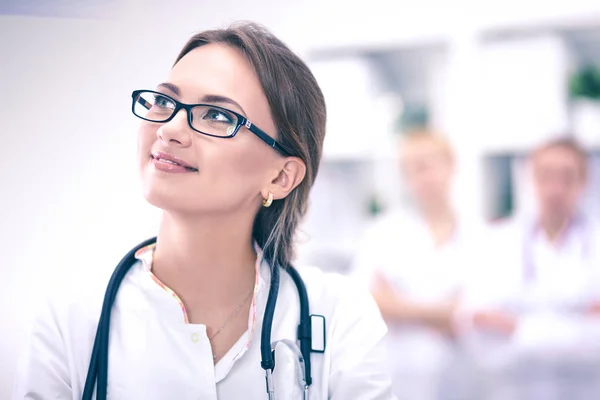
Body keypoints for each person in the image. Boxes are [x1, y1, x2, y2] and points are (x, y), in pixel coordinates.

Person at [12, 22, 395, 400]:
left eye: (218, 115)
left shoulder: (341, 317)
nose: (170, 129)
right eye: (164, 101)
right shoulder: (69, 321)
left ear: (281, 177)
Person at [460, 137, 600, 400]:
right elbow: (477, 327)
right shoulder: (496, 243)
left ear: (584, 182)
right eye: (545, 176)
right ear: (530, 178)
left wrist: (517, 326)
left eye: (567, 177)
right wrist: (578, 323)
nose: (555, 188)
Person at [351, 130, 481, 400]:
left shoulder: (481, 234)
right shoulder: (382, 233)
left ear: (451, 165)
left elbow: (487, 309)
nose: (421, 178)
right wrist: (450, 314)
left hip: (465, 377)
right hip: (401, 377)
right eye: (410, 171)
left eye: (427, 166)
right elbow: (369, 302)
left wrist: (402, 307)